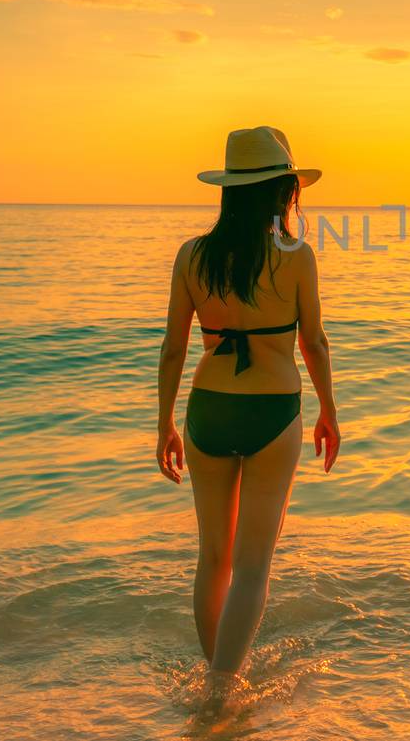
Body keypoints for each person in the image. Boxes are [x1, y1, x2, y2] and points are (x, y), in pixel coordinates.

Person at [154, 125, 341, 708]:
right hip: (273, 410)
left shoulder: (193, 254)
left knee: (212, 557)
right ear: (283, 194)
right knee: (253, 565)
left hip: (206, 409)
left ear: (231, 190)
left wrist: (164, 424)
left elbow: (172, 347)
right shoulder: (296, 256)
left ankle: (218, 680)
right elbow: (314, 343)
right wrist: (329, 412)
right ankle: (221, 690)